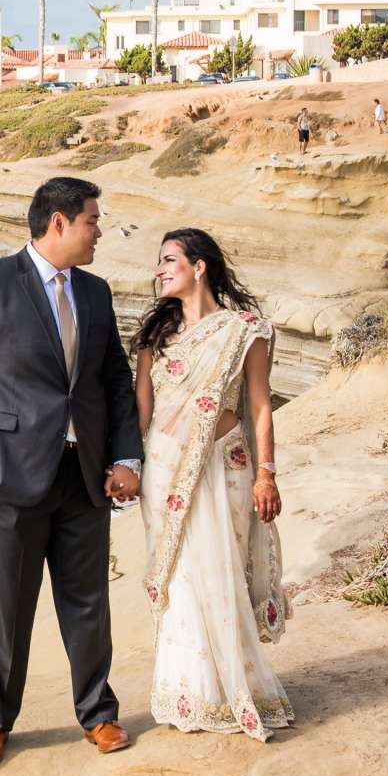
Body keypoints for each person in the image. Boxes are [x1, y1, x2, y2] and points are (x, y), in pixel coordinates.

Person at [0, 176, 144, 771]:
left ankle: (99, 714)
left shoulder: (97, 291)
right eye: (92, 221)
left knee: (88, 602)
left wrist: (125, 457)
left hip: (85, 474)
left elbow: (114, 382)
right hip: (13, 474)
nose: (99, 231)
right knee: (11, 606)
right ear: (58, 223)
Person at [131, 228, 289, 739]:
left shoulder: (244, 331)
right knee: (180, 576)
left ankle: (235, 690)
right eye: (159, 262)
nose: (159, 270)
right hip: (166, 471)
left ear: (200, 267)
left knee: (221, 569)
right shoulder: (156, 338)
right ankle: (189, 691)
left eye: (168, 260)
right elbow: (143, 416)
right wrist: (131, 470)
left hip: (226, 465)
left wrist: (267, 473)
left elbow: (261, 405)